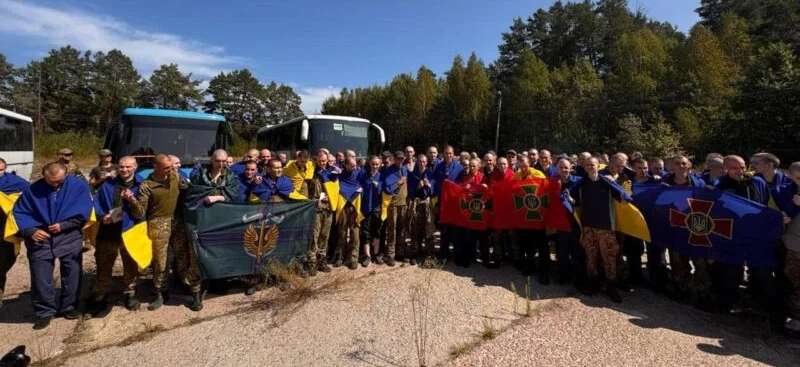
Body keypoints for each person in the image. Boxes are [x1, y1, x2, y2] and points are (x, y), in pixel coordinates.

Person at [11, 162, 93, 329]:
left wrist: (64, 225)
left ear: (66, 174)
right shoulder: (32, 190)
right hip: (40, 238)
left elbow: (85, 211)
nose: (56, 184)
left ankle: (69, 307)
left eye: (60, 181)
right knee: (41, 277)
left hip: (68, 235)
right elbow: (19, 212)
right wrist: (30, 230)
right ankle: (45, 312)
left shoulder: (78, 186)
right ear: (44, 175)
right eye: (52, 181)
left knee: (72, 273)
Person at [714, 155, 778, 321]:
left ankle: (766, 310)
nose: (740, 171)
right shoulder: (720, 185)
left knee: (761, 272)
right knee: (731, 271)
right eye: (735, 168)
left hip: (756, 237)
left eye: (742, 167)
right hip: (731, 236)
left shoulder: (758, 182)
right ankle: (727, 305)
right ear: (725, 169)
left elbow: (767, 205)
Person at [127, 154, 193, 311]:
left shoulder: (175, 176)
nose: (171, 170)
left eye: (171, 167)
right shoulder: (147, 186)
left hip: (176, 222)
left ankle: (185, 283)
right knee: (160, 261)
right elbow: (140, 212)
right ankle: (159, 292)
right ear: (156, 167)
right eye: (167, 168)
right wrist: (132, 201)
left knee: (182, 255)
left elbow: (187, 190)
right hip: (157, 224)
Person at [87, 156, 141, 315]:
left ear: (135, 167)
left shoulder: (141, 185)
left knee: (130, 264)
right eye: (122, 167)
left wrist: (131, 200)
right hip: (108, 231)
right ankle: (101, 294)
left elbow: (143, 211)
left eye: (128, 167)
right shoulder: (107, 185)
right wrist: (101, 216)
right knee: (104, 263)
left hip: (130, 231)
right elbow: (96, 204)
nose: (124, 170)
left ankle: (130, 293)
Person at [570, 157, 628, 303]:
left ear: (598, 166)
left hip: (605, 227)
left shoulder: (606, 181)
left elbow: (623, 196)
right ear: (585, 167)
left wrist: (618, 187)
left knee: (609, 257)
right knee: (591, 256)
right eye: (588, 165)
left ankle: (611, 287)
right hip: (588, 226)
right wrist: (570, 199)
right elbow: (573, 197)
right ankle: (592, 284)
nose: (590, 167)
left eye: (593, 165)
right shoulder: (582, 182)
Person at [661, 156, 709, 303]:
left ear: (689, 166)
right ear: (672, 167)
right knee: (677, 261)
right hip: (675, 228)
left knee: (700, 262)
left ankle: (699, 291)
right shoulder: (663, 184)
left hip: (695, 228)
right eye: (677, 163)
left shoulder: (699, 183)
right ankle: (680, 288)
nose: (681, 166)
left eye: (684, 163)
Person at [512, 155, 548, 281]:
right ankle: (530, 267)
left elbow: (545, 192)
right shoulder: (516, 176)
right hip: (524, 218)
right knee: (527, 245)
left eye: (525, 165)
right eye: (521, 166)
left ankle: (544, 272)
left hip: (538, 217)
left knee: (542, 246)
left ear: (530, 164)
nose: (523, 168)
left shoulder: (538, 175)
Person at [0, 159, 28, 309]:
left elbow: (28, 197)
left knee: (2, 264)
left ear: (5, 169)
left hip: (4, 232)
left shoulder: (16, 183)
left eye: (0, 170)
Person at [553, 158, 585, 286]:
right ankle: (563, 276)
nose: (563, 170)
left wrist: (574, 201)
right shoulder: (553, 182)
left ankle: (578, 278)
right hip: (561, 224)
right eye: (561, 168)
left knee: (577, 252)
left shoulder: (579, 181)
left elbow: (586, 200)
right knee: (562, 252)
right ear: (557, 169)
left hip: (575, 223)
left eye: (566, 167)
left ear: (571, 168)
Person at [433, 145, 463, 263]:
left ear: (453, 154)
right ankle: (443, 254)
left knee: (455, 230)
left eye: (450, 153)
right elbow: (435, 182)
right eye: (446, 153)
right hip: (443, 203)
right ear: (443, 154)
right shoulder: (438, 166)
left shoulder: (459, 167)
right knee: (444, 229)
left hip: (454, 203)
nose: (448, 155)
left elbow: (461, 185)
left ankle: (456, 254)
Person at [307, 151, 336, 275]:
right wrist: (316, 199)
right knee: (314, 236)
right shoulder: (311, 173)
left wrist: (331, 197)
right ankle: (312, 263)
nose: (322, 163)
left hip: (328, 209)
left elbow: (335, 190)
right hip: (316, 209)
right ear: (316, 160)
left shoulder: (331, 173)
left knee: (325, 235)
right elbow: (306, 192)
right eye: (320, 161)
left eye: (324, 161)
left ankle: (321, 261)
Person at [780, 162, 800, 332]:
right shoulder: (786, 190)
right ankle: (794, 318)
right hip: (793, 243)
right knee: (792, 278)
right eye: (797, 177)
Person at [453, 158, 484, 268]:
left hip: (477, 211)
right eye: (470, 166)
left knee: (472, 236)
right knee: (463, 234)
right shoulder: (465, 177)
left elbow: (487, 192)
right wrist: (463, 188)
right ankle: (462, 257)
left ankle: (470, 257)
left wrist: (483, 188)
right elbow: (458, 190)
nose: (471, 168)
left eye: (473, 166)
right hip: (466, 210)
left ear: (478, 166)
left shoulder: (482, 177)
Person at [380, 151, 408, 266]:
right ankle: (390, 254)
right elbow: (387, 188)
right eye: (398, 159)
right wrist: (398, 183)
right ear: (394, 159)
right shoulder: (388, 171)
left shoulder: (405, 169)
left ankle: (400, 252)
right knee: (392, 229)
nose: (400, 161)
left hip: (403, 203)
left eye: (402, 159)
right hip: (392, 204)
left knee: (402, 229)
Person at [407, 154, 434, 265]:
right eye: (420, 161)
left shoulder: (430, 174)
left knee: (428, 228)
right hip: (416, 204)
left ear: (426, 162)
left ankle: (429, 254)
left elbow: (433, 191)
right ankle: (414, 253)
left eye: (424, 161)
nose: (422, 163)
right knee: (415, 229)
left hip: (427, 204)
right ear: (417, 162)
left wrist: (429, 186)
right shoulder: (413, 174)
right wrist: (417, 187)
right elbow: (410, 192)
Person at [336, 157, 363, 269]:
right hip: (343, 206)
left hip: (355, 207)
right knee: (342, 232)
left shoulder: (359, 173)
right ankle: (340, 257)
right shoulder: (340, 175)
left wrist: (361, 190)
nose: (354, 167)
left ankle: (353, 258)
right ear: (346, 165)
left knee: (355, 234)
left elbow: (365, 184)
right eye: (352, 165)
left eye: (355, 165)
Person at [358, 156, 383, 266]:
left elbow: (386, 191)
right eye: (373, 164)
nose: (375, 166)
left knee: (377, 232)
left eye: (377, 164)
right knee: (365, 232)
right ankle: (367, 255)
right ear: (369, 164)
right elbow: (357, 186)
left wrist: (379, 187)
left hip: (377, 208)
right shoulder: (363, 176)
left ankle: (376, 254)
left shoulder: (381, 176)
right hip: (366, 208)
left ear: (380, 164)